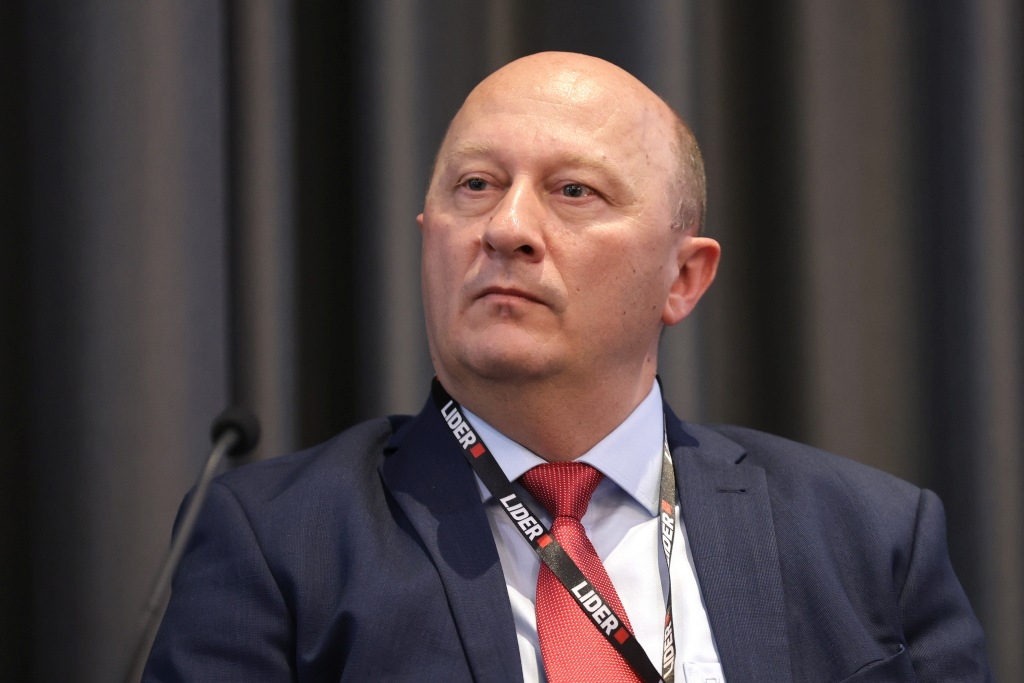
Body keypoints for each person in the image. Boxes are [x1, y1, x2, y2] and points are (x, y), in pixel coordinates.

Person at [143, 52, 992, 682]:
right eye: (476, 185)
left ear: (683, 277)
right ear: (428, 238)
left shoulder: (870, 536)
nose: (507, 227)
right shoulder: (276, 542)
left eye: (573, 191)